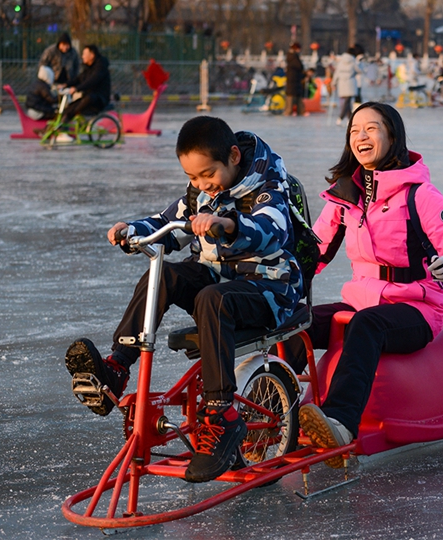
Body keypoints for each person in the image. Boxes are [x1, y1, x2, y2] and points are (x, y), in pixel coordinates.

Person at [64, 116, 303, 483]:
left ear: (234, 156)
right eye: (192, 178)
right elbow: (167, 223)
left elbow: (272, 228)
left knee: (212, 298)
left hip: (269, 289)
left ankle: (221, 414)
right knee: (166, 274)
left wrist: (228, 225)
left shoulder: (266, 187)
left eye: (207, 174)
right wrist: (133, 231)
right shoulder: (200, 195)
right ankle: (116, 368)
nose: (201, 185)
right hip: (219, 282)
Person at [282, 102, 443, 467]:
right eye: (355, 130)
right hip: (363, 300)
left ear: (392, 136)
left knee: (366, 326)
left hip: (417, 308)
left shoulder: (419, 194)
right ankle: (280, 412)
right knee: (293, 322)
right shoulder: (346, 195)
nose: (361, 136)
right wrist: (281, 272)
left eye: (371, 129)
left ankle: (340, 423)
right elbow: (316, 249)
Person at [62, 44, 111, 120]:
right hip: (89, 96)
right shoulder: (88, 68)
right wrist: (66, 84)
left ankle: (68, 118)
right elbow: (79, 78)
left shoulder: (100, 67)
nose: (82, 56)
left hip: (99, 99)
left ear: (92, 55)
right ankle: (52, 128)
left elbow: (92, 80)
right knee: (69, 108)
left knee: (86, 100)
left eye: (84, 54)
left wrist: (76, 89)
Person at [332, 46, 361, 125]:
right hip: (350, 83)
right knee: (347, 101)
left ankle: (350, 119)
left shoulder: (341, 61)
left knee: (347, 101)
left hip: (342, 83)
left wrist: (334, 83)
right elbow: (359, 70)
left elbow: (336, 73)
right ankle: (340, 118)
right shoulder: (353, 61)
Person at [284, 42, 305, 116]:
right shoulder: (293, 57)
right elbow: (299, 66)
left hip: (295, 82)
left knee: (297, 100)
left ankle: (300, 112)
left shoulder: (292, 57)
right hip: (293, 82)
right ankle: (289, 114)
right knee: (290, 103)